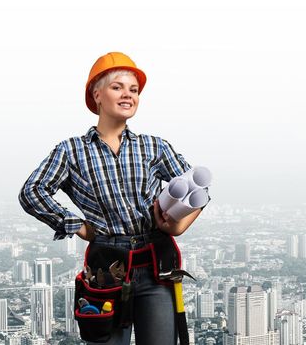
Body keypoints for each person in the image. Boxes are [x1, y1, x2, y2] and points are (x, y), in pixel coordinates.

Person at [19, 52, 209, 345]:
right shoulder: (72, 151)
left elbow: (199, 190)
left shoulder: (153, 146)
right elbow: (32, 192)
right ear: (97, 94)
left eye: (134, 90)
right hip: (106, 270)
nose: (128, 95)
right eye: (117, 87)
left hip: (155, 265)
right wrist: (77, 225)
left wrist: (179, 226)